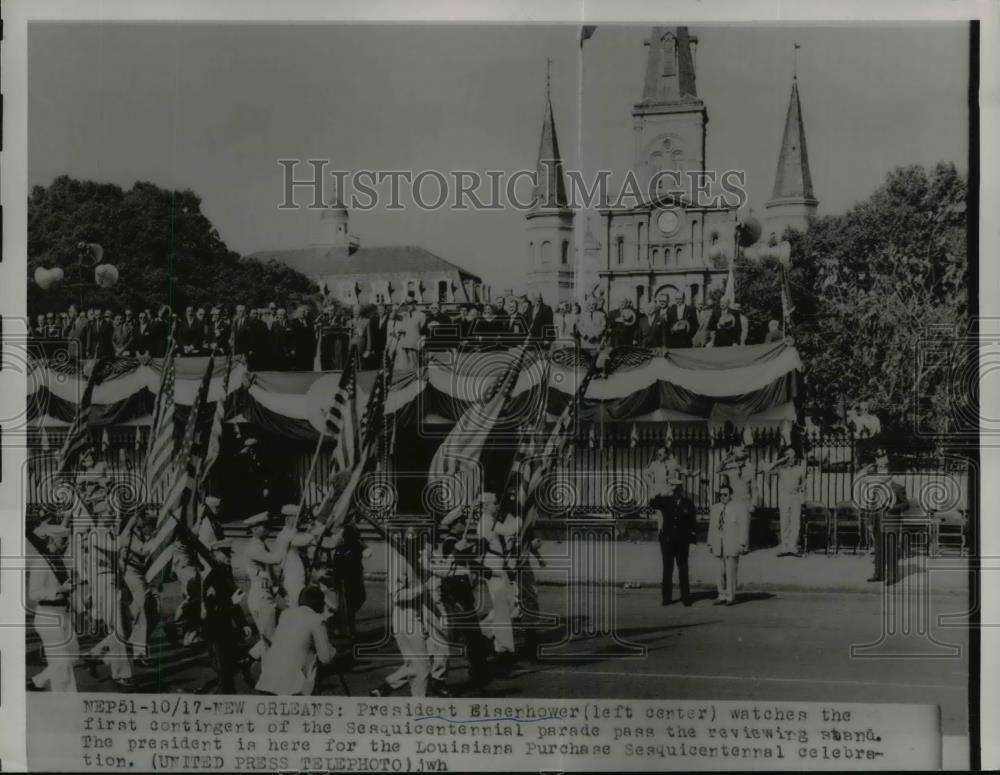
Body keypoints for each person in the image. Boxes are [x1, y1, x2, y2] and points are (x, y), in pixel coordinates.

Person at [371, 529, 435, 697]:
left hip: (421, 618)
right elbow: (397, 595)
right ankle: (418, 709)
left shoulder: (419, 558)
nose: (421, 548)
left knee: (418, 665)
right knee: (422, 670)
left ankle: (385, 687)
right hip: (406, 620)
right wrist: (423, 588)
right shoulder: (398, 562)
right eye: (417, 544)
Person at [256, 586, 336, 696]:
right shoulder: (317, 620)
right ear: (320, 604)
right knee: (312, 663)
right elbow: (326, 658)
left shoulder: (286, 614)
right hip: (292, 689)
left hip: (267, 681)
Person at [27, 522, 79, 692]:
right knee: (62, 665)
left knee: (72, 656)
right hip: (48, 617)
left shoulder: (59, 561)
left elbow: (67, 589)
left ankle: (39, 681)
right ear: (54, 540)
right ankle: (66, 704)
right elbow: (34, 594)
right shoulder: (41, 563)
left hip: (63, 615)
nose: (66, 544)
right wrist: (59, 590)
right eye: (64, 541)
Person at [200, 539, 253, 694]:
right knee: (224, 671)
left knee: (229, 669)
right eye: (225, 553)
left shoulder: (225, 573)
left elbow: (234, 603)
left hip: (226, 629)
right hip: (215, 630)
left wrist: (243, 623)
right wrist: (230, 602)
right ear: (215, 555)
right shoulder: (212, 578)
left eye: (229, 553)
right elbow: (213, 608)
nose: (229, 556)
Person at [243, 512, 289, 659]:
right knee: (272, 639)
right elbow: (275, 559)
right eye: (263, 525)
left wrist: (284, 594)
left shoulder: (262, 546)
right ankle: (268, 672)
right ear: (254, 529)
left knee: (274, 634)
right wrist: (285, 540)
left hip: (266, 595)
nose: (267, 527)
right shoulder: (254, 548)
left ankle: (248, 660)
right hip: (261, 597)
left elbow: (273, 577)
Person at [650, 473, 698, 606]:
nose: (674, 491)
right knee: (667, 569)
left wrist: (693, 542)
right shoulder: (666, 501)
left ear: (681, 489)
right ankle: (666, 598)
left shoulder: (688, 504)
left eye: (676, 489)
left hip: (683, 541)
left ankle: (686, 598)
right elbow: (652, 503)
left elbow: (693, 524)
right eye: (672, 488)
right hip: (667, 541)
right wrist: (663, 492)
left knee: (683, 569)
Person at [707, 484, 750, 605]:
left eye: (725, 494)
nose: (722, 497)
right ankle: (721, 595)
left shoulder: (739, 507)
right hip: (718, 543)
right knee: (719, 571)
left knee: (731, 571)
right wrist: (710, 542)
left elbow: (744, 526)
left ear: (730, 495)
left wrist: (743, 543)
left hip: (732, 543)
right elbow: (712, 527)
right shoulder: (715, 508)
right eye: (720, 495)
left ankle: (730, 596)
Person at [765, 446, 807, 556]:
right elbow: (767, 470)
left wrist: (801, 488)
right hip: (784, 496)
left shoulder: (799, 468)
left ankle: (793, 547)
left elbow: (803, 482)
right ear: (784, 457)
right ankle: (784, 546)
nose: (791, 458)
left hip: (795, 496)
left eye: (793, 456)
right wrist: (779, 461)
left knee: (795, 522)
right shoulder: (781, 469)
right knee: (784, 520)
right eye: (788, 456)